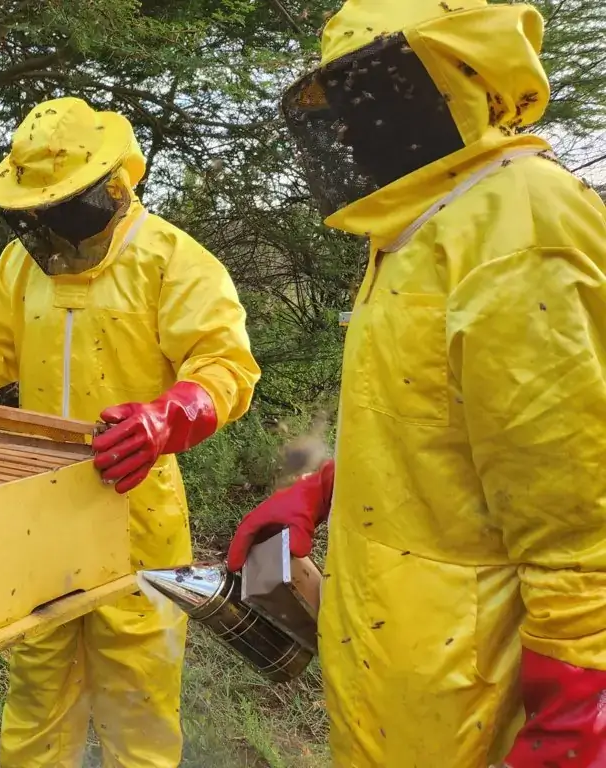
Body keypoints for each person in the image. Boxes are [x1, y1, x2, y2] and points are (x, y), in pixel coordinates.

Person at [228, 1, 606, 766]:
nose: (347, 129)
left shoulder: (516, 225)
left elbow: (578, 520)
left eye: (372, 95)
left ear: (452, 81)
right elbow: (451, 424)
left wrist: (576, 715)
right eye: (337, 105)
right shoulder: (421, 228)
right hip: (398, 669)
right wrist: (330, 487)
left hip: (471, 696)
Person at [0, 96, 260, 767]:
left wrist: (166, 416)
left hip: (138, 516)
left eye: (65, 209)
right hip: (39, 513)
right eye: (42, 213)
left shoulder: (171, 260)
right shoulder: (21, 264)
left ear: (110, 188)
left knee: (140, 699)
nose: (54, 229)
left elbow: (226, 367)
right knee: (39, 690)